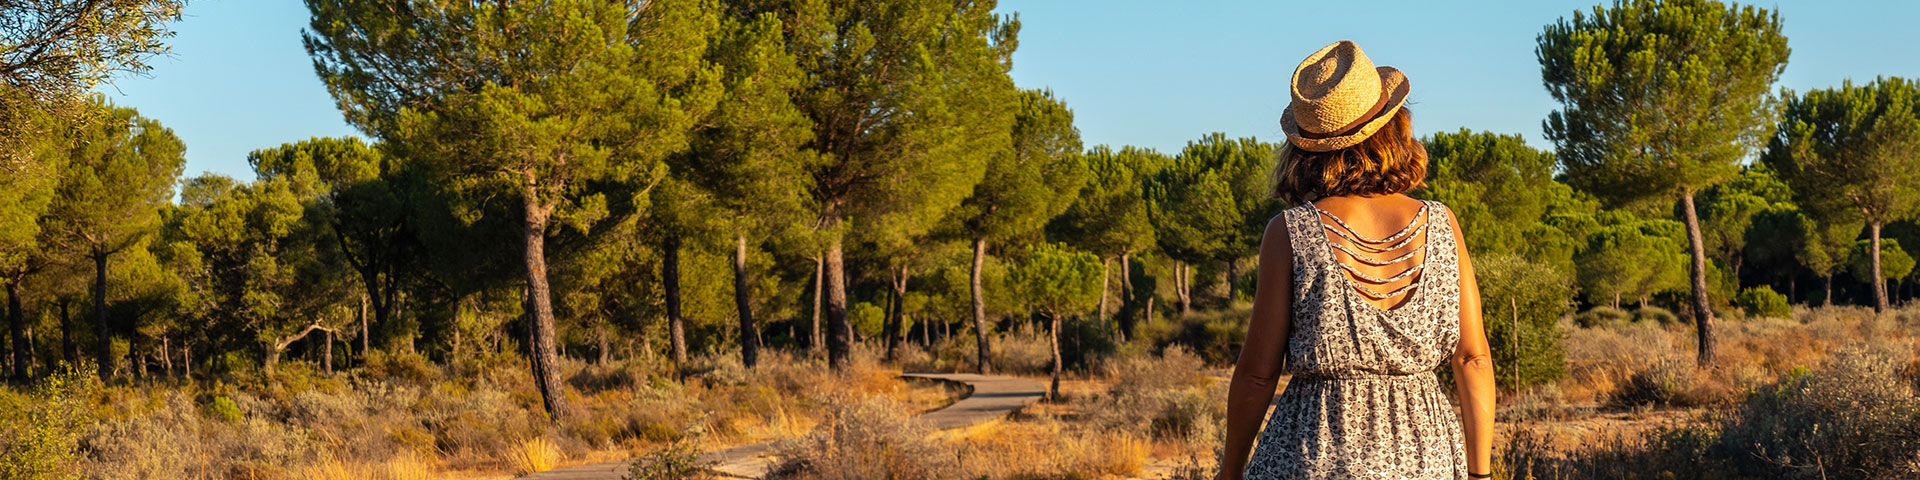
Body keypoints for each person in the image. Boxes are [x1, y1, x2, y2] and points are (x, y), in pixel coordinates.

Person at [1214, 40, 1496, 480]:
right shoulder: (1442, 223)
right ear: (1395, 127)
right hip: (1427, 457)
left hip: (1312, 453)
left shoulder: (1290, 233)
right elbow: (1473, 358)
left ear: (1306, 148)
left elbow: (1256, 376)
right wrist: (1480, 474)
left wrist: (1229, 473)